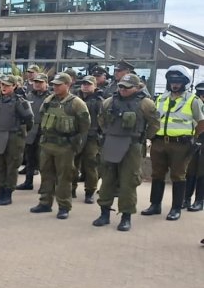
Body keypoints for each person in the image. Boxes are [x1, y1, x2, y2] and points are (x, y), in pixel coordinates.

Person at [94, 74, 159, 231]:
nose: (123, 90)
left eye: (127, 87)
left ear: (137, 88)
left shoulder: (146, 104)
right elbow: (101, 120)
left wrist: (142, 139)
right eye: (121, 86)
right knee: (107, 180)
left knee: (128, 182)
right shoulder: (109, 102)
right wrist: (110, 135)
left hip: (132, 146)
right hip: (111, 144)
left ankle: (126, 216)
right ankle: (104, 214)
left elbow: (154, 124)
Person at [141, 65, 204, 221]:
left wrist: (192, 138)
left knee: (178, 175)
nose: (174, 84)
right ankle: (155, 205)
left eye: (178, 81)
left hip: (181, 144)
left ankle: (176, 208)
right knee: (157, 174)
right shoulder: (161, 98)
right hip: (159, 142)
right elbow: (155, 119)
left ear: (185, 82)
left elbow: (201, 122)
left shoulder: (192, 100)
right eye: (171, 81)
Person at [30, 73, 90, 219]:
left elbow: (85, 125)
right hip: (47, 144)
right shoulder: (49, 100)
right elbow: (41, 116)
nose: (55, 87)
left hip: (65, 147)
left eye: (59, 84)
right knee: (46, 174)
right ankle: (45, 202)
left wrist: (75, 144)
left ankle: (64, 206)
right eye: (54, 84)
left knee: (64, 178)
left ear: (68, 85)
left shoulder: (77, 103)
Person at [0, 75, 34, 205]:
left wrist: (22, 133)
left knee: (12, 166)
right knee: (0, 165)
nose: (4, 87)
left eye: (7, 85)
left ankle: (8, 193)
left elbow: (29, 119)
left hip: (13, 136)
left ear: (14, 86)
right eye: (2, 85)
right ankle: (1, 190)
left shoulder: (20, 102)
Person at [16, 74, 51, 190]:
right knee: (30, 158)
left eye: (40, 82)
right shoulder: (28, 96)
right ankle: (28, 182)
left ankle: (45, 185)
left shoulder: (51, 97)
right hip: (31, 130)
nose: (37, 84)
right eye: (35, 82)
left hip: (45, 130)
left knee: (44, 161)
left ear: (46, 83)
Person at [74, 76, 104, 204]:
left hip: (92, 137)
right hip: (76, 135)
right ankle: (70, 189)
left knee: (91, 165)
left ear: (95, 86)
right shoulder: (74, 99)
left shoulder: (99, 101)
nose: (85, 86)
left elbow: (103, 121)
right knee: (72, 164)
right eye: (84, 84)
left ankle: (90, 192)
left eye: (88, 84)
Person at [184, 82, 204, 211]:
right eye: (200, 94)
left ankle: (199, 200)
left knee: (202, 172)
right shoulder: (195, 104)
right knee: (190, 171)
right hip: (194, 140)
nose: (202, 97)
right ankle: (186, 199)